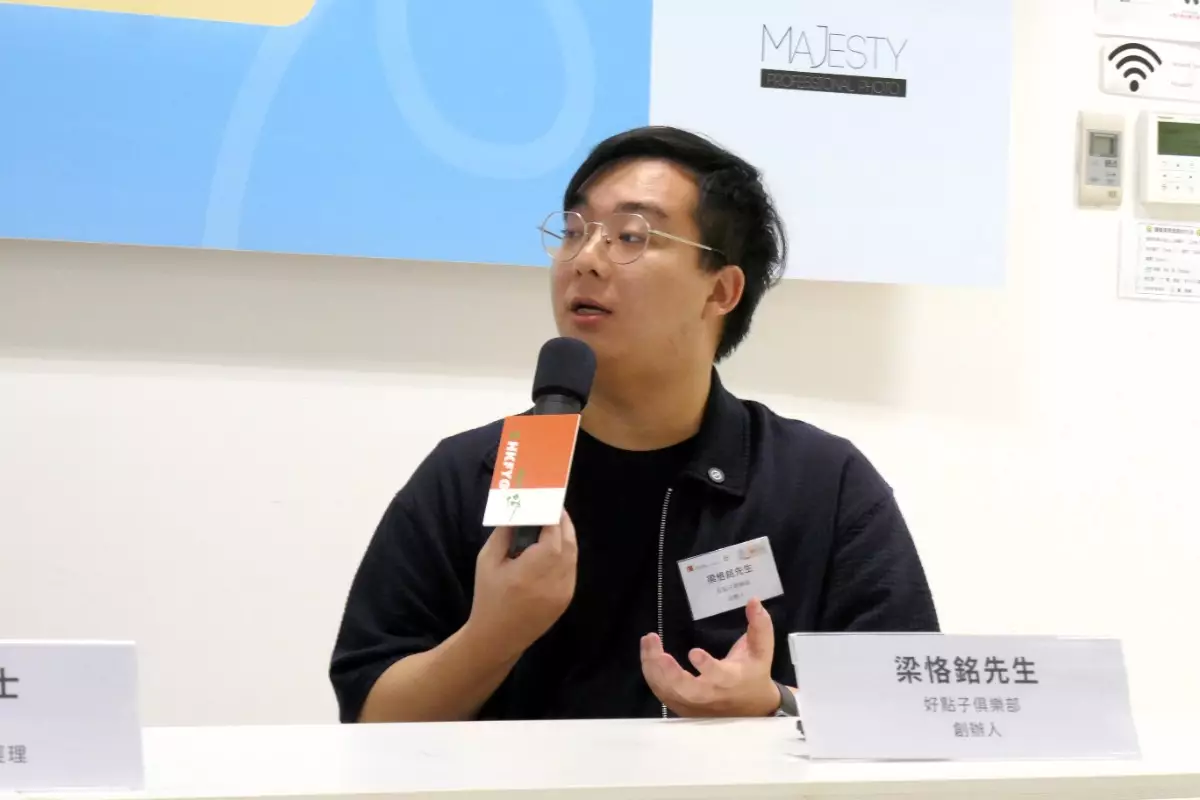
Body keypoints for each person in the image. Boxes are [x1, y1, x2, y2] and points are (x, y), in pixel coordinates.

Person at [329, 126, 938, 723]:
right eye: (574, 232)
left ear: (721, 291)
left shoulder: (820, 484)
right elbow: (370, 719)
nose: (585, 260)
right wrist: (494, 634)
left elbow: (911, 707)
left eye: (631, 236)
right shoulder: (472, 473)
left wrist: (774, 702)